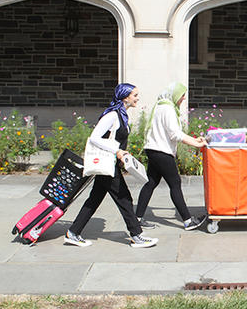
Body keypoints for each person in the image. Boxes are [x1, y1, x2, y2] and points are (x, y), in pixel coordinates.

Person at [64, 83, 158, 248]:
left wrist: (122, 153)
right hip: (107, 163)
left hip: (110, 163)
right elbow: (94, 138)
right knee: (124, 198)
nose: (137, 98)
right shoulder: (112, 115)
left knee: (94, 199)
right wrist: (117, 150)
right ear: (125, 97)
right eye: (135, 95)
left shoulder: (122, 115)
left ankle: (73, 232)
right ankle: (137, 235)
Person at [135, 82, 209, 231]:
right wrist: (197, 144)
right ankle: (188, 221)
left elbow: (172, 132)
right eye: (182, 96)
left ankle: (137, 218)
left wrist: (195, 140)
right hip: (162, 152)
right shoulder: (168, 109)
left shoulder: (159, 106)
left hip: (153, 149)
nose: (183, 99)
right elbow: (174, 134)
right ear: (175, 95)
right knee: (175, 183)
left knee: (150, 183)